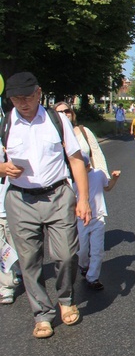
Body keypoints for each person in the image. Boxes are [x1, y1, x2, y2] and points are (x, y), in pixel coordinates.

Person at [0, 72, 91, 338]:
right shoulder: (6, 124)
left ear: (39, 93)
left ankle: (65, 299)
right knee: (29, 261)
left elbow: (75, 160)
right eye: (16, 99)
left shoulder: (56, 120)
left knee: (66, 255)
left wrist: (83, 199)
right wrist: (3, 168)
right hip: (20, 199)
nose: (23, 103)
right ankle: (42, 314)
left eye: (27, 97)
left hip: (58, 196)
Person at [76, 155, 120, 290]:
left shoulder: (98, 174)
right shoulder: (73, 179)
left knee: (97, 250)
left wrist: (114, 179)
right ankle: (84, 265)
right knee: (82, 249)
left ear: (88, 165)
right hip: (81, 219)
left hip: (98, 217)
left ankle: (93, 278)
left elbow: (107, 187)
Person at [54, 102, 110, 177]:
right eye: (60, 113)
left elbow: (97, 154)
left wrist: (104, 176)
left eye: (67, 111)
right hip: (66, 182)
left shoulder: (84, 131)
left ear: (72, 113)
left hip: (89, 178)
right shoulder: (52, 136)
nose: (64, 114)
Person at [0, 178, 21, 304]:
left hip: (12, 212)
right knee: (1, 252)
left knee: (17, 248)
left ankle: (20, 270)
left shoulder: (11, 161)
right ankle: (6, 287)